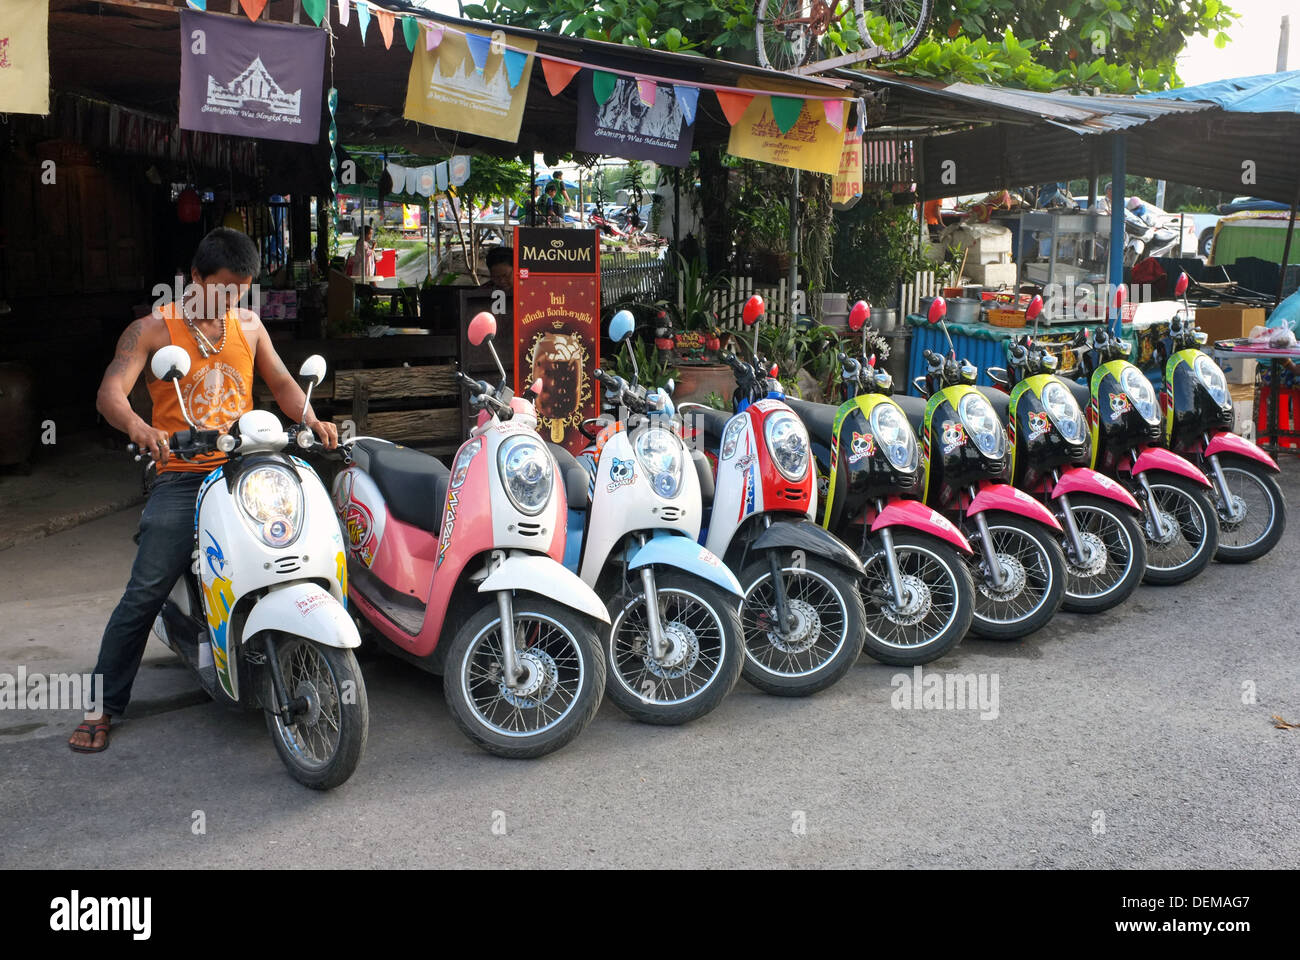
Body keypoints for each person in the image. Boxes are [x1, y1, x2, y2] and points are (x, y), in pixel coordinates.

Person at [68, 227, 339, 754]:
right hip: (184, 472)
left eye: (241, 290)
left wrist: (311, 417)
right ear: (194, 277)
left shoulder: (250, 325)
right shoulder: (151, 329)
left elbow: (282, 385)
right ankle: (103, 703)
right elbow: (110, 393)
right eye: (222, 288)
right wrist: (142, 430)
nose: (231, 300)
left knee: (306, 539)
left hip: (247, 465)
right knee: (146, 587)